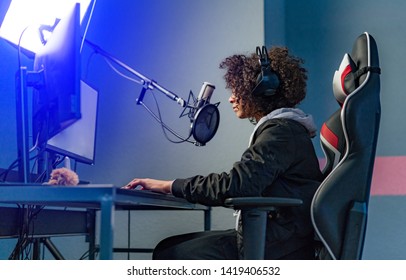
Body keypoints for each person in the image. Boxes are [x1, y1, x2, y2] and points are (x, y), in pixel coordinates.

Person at [123, 46, 323, 260]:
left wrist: (170, 185)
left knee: (169, 254)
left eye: (237, 90)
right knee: (169, 246)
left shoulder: (280, 133)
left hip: (278, 246)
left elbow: (237, 185)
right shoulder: (284, 130)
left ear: (264, 90)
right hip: (279, 237)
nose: (231, 98)